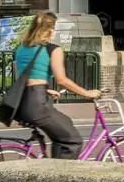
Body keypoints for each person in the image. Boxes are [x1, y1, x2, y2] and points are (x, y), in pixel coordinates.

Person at [12, 12, 98, 159]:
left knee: (64, 125)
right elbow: (62, 80)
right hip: (37, 105)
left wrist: (46, 89)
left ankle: (51, 170)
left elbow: (29, 77)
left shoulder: (21, 49)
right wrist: (87, 93)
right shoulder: (53, 50)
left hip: (21, 103)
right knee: (72, 141)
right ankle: (58, 180)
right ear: (50, 30)